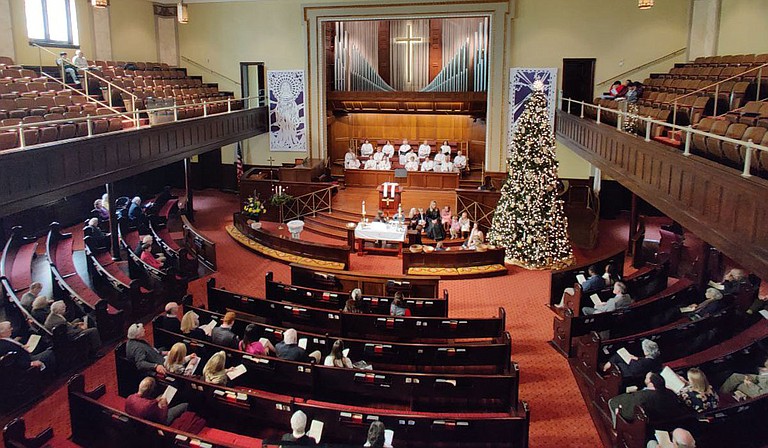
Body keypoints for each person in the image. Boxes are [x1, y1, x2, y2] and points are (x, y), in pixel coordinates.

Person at [608, 372, 689, 427]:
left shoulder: (643, 396)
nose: (645, 379)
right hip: (659, 420)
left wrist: (619, 410)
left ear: (651, 383)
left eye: (646, 378)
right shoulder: (670, 393)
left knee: (612, 402)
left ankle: (615, 426)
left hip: (643, 422)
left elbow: (629, 412)